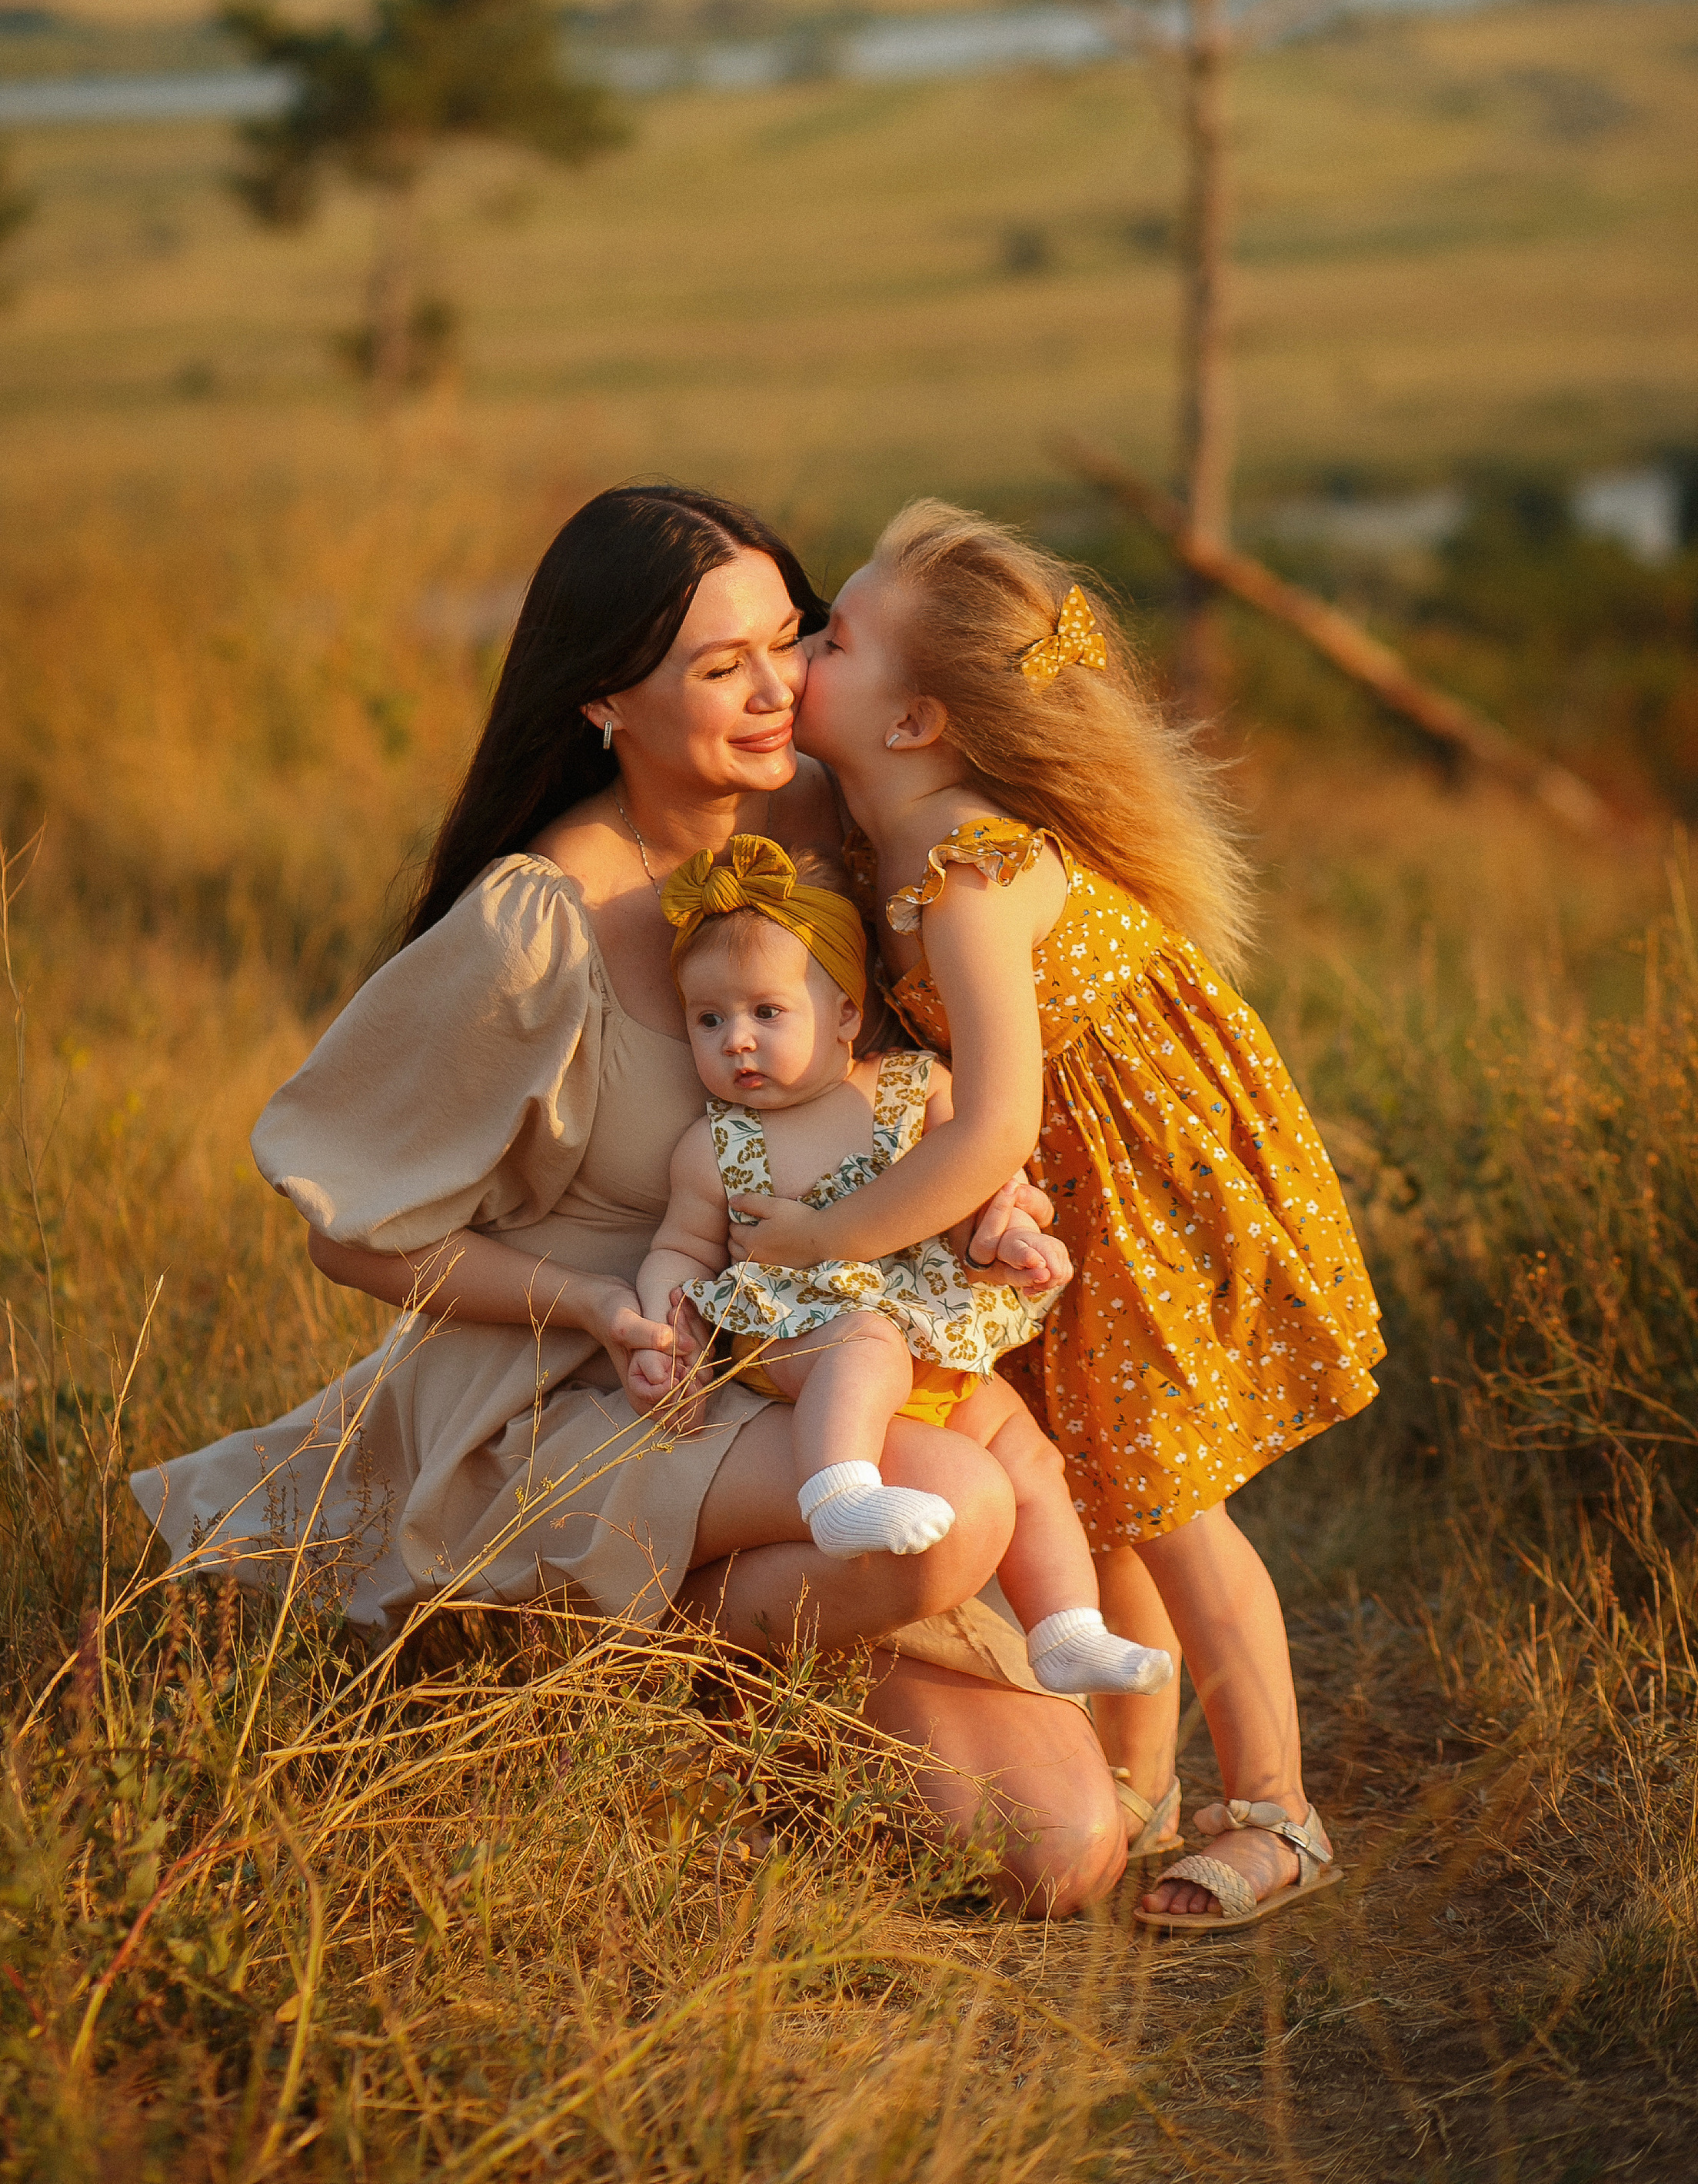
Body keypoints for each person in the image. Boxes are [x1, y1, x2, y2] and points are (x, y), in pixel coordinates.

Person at [130, 483, 1125, 1916]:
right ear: (605, 700)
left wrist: (992, 1197)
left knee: (1060, 1850)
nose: (779, 690)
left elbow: (935, 1062)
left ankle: (714, 1677)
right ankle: (574, 1653)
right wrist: (599, 1302)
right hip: (597, 1391)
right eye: (723, 667)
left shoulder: (845, 822)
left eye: (792, 638)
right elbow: (347, 1234)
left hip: (804, 1379)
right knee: (955, 1503)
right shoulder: (538, 918)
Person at [738, 498, 1385, 1934]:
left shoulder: (966, 867)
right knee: (1101, 1489)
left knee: (1173, 1504)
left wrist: (826, 1239)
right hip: (1067, 1195)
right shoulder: (880, 834)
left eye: (831, 640)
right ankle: (1140, 1781)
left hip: (1143, 1185)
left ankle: (1279, 1810)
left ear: (914, 721)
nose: (802, 655)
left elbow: (992, 1124)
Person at [634, 832, 1176, 1703]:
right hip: (802, 1340)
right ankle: (837, 1493)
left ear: (845, 1014)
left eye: (767, 1013)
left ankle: (1065, 1631)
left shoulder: (914, 1088)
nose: (736, 1042)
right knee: (866, 1342)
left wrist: (1011, 1238)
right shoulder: (716, 1147)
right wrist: (668, 1334)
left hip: (936, 1344)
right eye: (709, 1020)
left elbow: (974, 1198)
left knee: (1029, 1458)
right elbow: (682, 1250)